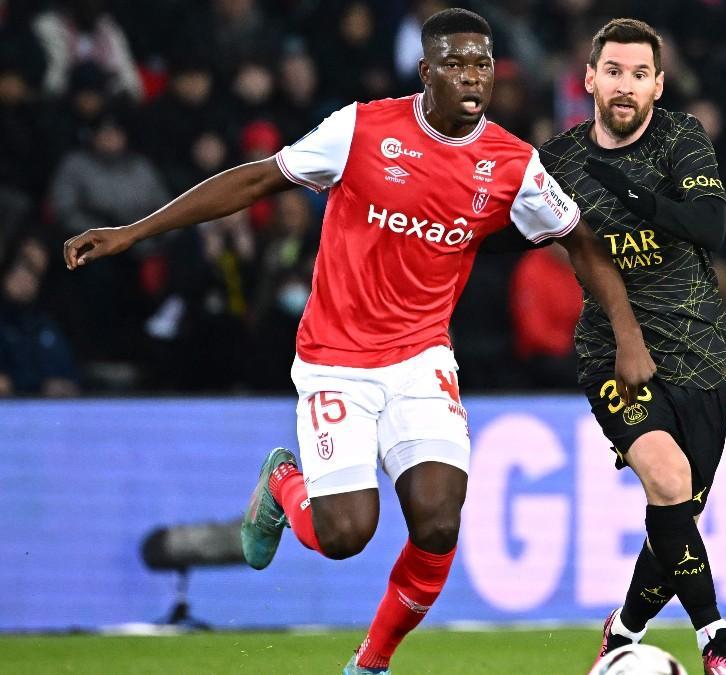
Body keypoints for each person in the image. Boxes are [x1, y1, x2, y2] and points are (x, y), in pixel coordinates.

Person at [62, 9, 655, 675]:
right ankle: (281, 481)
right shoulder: (361, 129)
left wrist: (628, 336)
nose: (472, 76)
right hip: (335, 360)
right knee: (345, 534)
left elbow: (580, 241)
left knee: (437, 520)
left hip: (422, 357)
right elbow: (260, 177)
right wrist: (134, 232)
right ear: (426, 71)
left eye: (482, 64)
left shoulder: (512, 166)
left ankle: (369, 665)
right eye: (456, 63)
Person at [540, 19, 726, 675]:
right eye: (613, 71)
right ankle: (718, 644)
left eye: (640, 74)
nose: (625, 85)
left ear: (658, 85)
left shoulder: (680, 138)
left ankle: (623, 631)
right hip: (613, 355)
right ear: (589, 79)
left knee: (678, 511)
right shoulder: (558, 160)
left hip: (700, 355)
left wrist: (630, 191)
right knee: (667, 480)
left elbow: (710, 225)